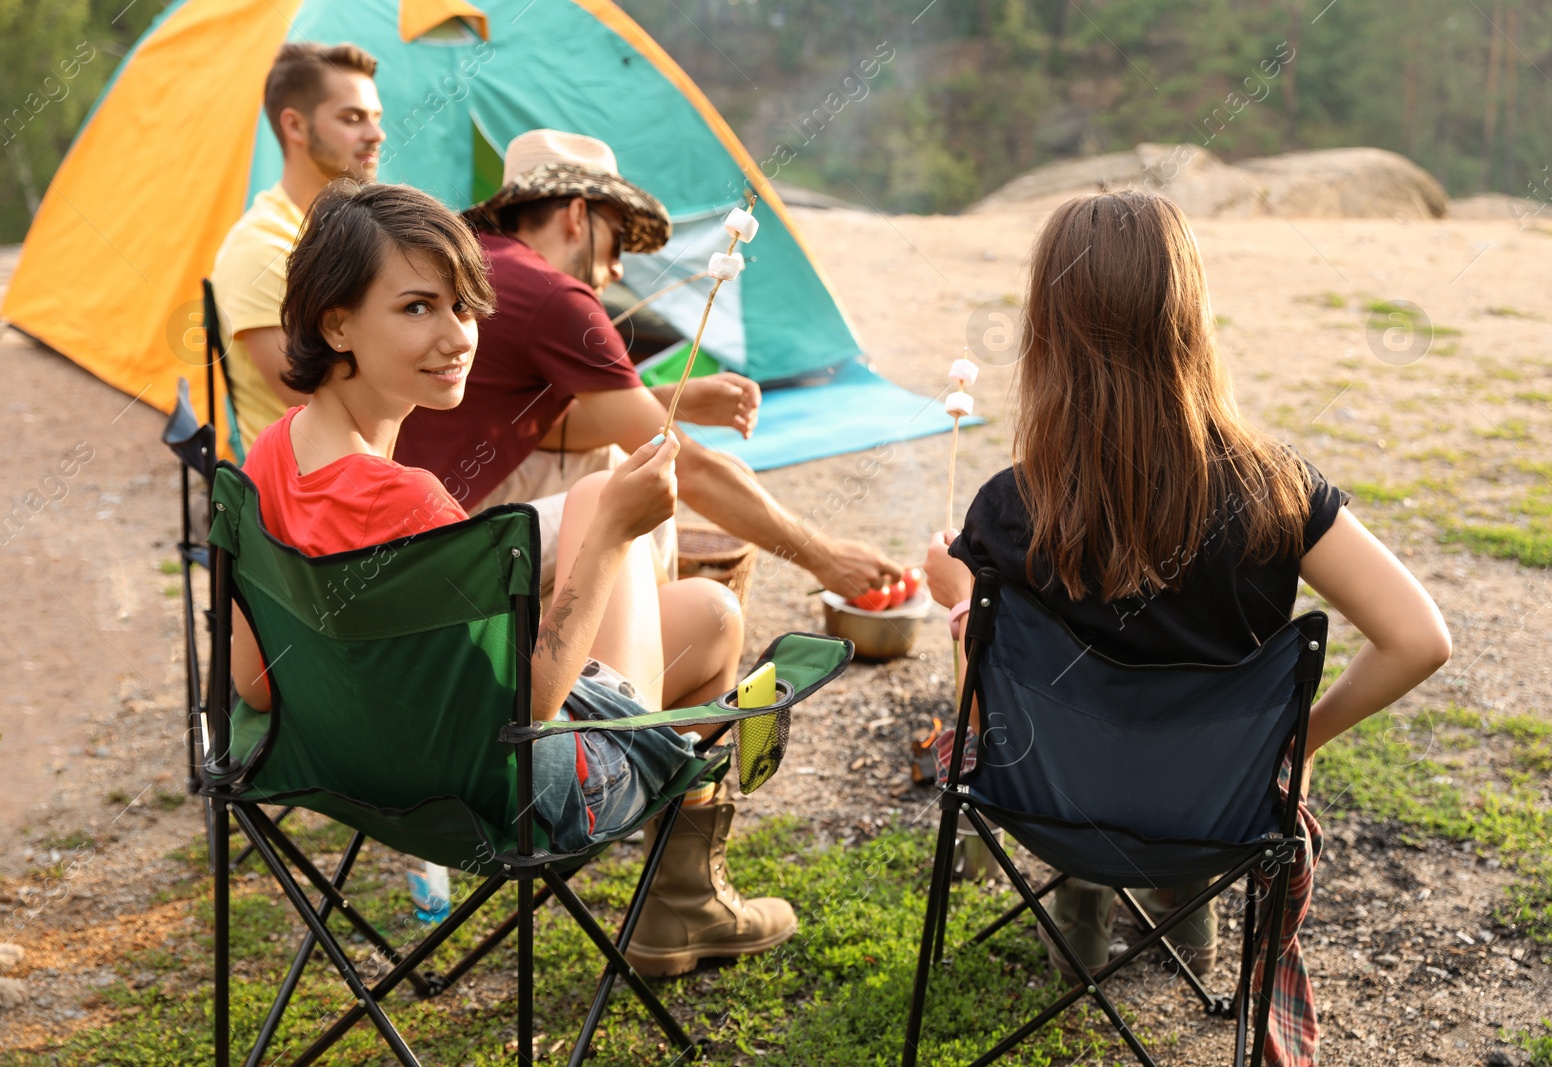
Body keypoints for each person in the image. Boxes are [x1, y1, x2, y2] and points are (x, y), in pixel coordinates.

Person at [228, 179, 797, 976]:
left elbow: (254, 683)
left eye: (464, 306)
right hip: (509, 796)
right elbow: (529, 708)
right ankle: (683, 900)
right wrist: (608, 538)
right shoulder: (408, 502)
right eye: (418, 308)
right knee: (649, 547)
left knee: (700, 605)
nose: (459, 334)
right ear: (337, 322)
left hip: (351, 767)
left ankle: (685, 900)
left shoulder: (268, 461)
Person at [922, 192, 1451, 988]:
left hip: (1056, 806)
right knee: (1172, 734)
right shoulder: (1277, 490)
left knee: (1089, 720)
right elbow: (1420, 638)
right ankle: (1182, 904)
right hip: (1212, 808)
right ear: (1191, 324)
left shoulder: (1008, 505)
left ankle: (1085, 914)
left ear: (1048, 333)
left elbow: (985, 714)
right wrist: (1296, 741)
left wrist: (960, 598)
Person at [394, 129, 903, 602]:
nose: (617, 268)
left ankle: (618, 626)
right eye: (616, 240)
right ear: (576, 215)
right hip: (432, 553)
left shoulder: (485, 262)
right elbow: (685, 467)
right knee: (649, 483)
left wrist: (669, 399)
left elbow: (540, 431)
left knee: (617, 462)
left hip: (390, 520)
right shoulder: (553, 295)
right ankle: (644, 657)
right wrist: (825, 557)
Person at [211, 41, 385, 453]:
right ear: (295, 126)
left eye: (376, 118)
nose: (375, 134)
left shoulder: (351, 230)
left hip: (362, 463)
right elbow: (310, 392)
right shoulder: (261, 247)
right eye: (352, 118)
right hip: (302, 491)